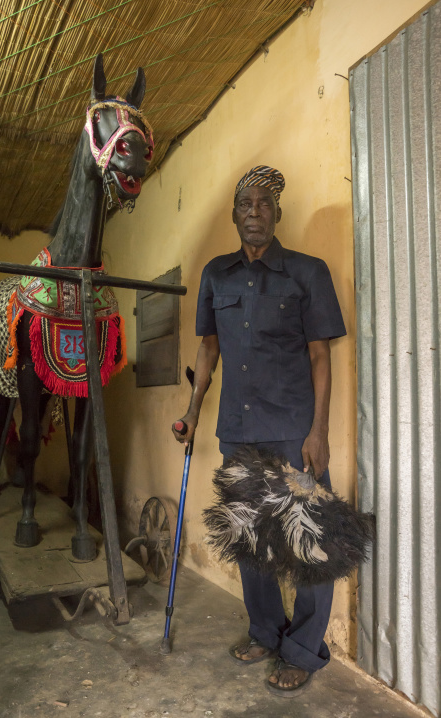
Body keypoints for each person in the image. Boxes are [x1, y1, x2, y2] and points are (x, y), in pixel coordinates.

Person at [172, 165, 346, 695]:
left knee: (309, 545)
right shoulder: (216, 275)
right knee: (250, 542)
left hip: (294, 431)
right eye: (246, 204)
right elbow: (208, 349)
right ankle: (266, 633)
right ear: (234, 214)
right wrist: (195, 408)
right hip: (239, 431)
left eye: (265, 205)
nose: (255, 213)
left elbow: (321, 356)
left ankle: (303, 650)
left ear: (277, 214)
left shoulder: (306, 272)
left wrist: (318, 431)